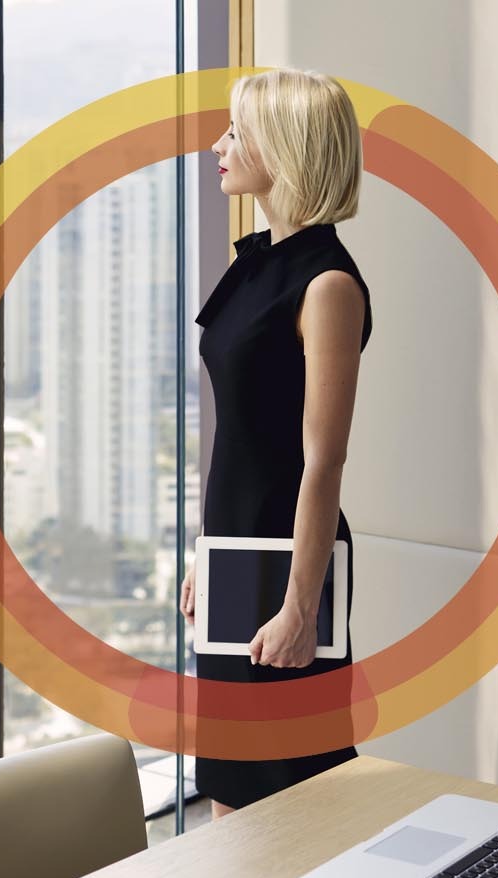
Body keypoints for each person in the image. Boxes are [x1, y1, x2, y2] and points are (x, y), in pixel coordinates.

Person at [178, 68, 371, 820]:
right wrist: (204, 551)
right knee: (230, 781)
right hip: (234, 552)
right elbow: (235, 431)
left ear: (284, 149)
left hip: (289, 562)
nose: (218, 146)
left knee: (295, 789)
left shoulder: (328, 285)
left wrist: (302, 607)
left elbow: (323, 461)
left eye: (236, 132)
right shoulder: (253, 261)